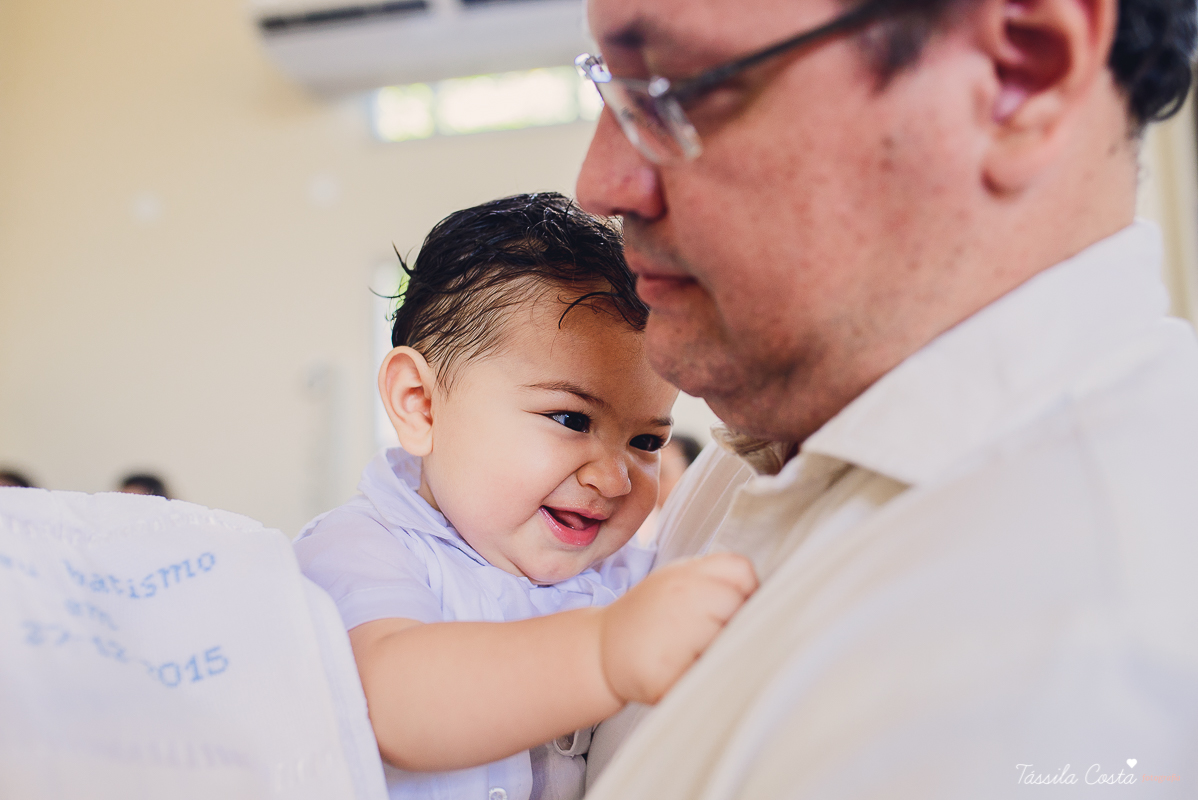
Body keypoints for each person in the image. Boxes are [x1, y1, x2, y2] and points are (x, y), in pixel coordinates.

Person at [573, 0, 1198, 796]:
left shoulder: (1072, 660)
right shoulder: (790, 421)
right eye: (612, 87)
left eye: (679, 87)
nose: (600, 183)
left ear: (1021, 72)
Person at [293, 193, 757, 800]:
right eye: (571, 420)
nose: (614, 478)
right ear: (421, 404)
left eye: (645, 440)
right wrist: (601, 653)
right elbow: (394, 702)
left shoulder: (626, 578)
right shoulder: (363, 546)